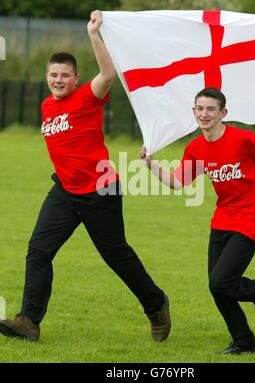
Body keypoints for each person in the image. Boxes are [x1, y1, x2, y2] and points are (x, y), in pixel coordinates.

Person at [0, 10, 170, 343]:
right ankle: (29, 322)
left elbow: (108, 72)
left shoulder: (87, 98)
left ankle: (156, 304)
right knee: (38, 250)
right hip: (64, 192)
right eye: (53, 74)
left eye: (65, 75)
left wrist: (94, 34)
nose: (58, 80)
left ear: (77, 78)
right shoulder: (47, 106)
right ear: (47, 77)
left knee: (116, 255)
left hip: (100, 191)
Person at [140, 87, 255, 355]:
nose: (204, 114)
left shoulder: (242, 139)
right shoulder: (196, 148)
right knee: (218, 288)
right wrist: (151, 165)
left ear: (223, 113)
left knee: (220, 283)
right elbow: (178, 181)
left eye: (210, 109)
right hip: (221, 221)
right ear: (193, 112)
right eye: (199, 109)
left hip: (249, 220)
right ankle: (244, 342)